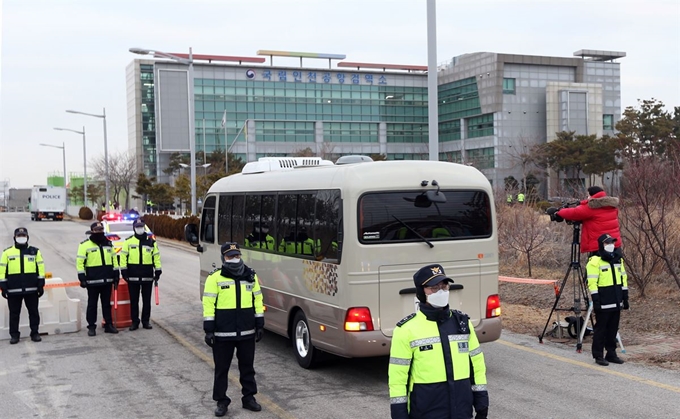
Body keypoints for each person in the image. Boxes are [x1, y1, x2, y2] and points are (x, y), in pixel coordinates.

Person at [388, 264, 489, 419]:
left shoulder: (462, 323)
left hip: (461, 410)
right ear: (422, 292)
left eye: (444, 286)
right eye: (434, 288)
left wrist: (481, 402)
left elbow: (476, 365)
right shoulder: (406, 329)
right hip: (426, 412)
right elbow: (398, 378)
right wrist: (399, 414)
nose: (441, 291)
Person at [203, 242, 264, 417]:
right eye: (230, 256)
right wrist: (208, 329)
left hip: (246, 332)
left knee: (248, 368)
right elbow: (208, 304)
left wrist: (260, 324)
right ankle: (221, 401)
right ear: (223, 258)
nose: (234, 259)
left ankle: (249, 398)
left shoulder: (250, 276)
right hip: (223, 333)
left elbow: (258, 300)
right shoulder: (214, 278)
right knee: (222, 369)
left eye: (237, 255)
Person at [587, 233, 629, 366]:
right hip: (604, 301)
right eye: (607, 243)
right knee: (601, 329)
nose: (611, 245)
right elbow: (592, 282)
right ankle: (598, 355)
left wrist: (625, 297)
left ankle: (611, 353)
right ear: (601, 245)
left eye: (612, 242)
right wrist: (596, 299)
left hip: (616, 299)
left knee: (613, 328)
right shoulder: (595, 261)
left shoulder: (618, 259)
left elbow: (623, 278)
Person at [0, 227, 45, 344]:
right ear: (14, 238)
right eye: (19, 236)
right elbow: (2, 270)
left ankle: (35, 333)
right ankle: (14, 335)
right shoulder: (7, 252)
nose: (21, 238)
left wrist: (41, 284)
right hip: (13, 289)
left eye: (23, 236)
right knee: (14, 314)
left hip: (31, 288)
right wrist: (3, 287)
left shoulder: (35, 251)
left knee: (33, 312)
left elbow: (40, 268)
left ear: (27, 237)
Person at [77, 221, 119, 336]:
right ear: (92, 231)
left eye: (101, 230)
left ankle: (108, 325)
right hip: (92, 280)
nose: (99, 232)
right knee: (92, 304)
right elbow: (80, 262)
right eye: (96, 230)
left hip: (107, 280)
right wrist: (82, 278)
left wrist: (116, 275)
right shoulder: (84, 245)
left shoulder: (109, 243)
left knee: (106, 304)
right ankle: (91, 326)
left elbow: (114, 260)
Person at [119, 220, 162, 331]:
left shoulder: (151, 242)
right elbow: (123, 257)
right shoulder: (128, 241)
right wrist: (124, 271)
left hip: (147, 276)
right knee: (134, 301)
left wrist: (158, 270)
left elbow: (156, 257)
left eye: (141, 227)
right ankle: (135, 322)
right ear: (134, 228)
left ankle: (146, 321)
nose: (140, 229)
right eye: (137, 227)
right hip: (132, 276)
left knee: (146, 300)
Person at [555, 186, 621, 255]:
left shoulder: (592, 206)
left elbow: (575, 213)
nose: (587, 198)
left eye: (588, 195)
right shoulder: (611, 206)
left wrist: (559, 212)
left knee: (596, 265)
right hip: (614, 243)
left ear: (592, 195)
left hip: (598, 245)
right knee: (613, 264)